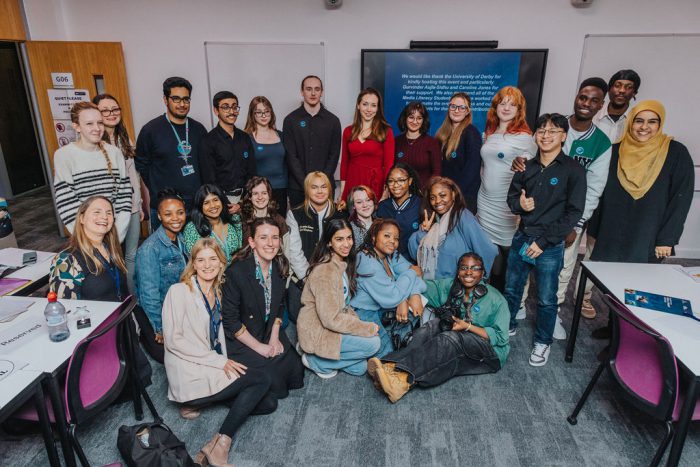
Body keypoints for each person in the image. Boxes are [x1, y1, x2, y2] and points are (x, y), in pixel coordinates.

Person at [162, 238, 277, 467]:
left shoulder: (219, 293)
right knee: (261, 379)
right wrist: (219, 362)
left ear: (221, 262)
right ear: (193, 264)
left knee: (268, 403)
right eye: (201, 260)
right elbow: (174, 341)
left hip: (210, 367)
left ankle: (205, 415)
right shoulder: (179, 291)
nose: (207, 265)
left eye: (213, 259)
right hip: (190, 372)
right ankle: (221, 443)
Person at [588, 100, 694, 337]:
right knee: (613, 283)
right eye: (639, 120)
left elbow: (681, 200)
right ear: (631, 122)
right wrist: (594, 230)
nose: (644, 127)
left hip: (648, 232)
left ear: (660, 124)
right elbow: (600, 191)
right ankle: (614, 327)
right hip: (614, 229)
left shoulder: (675, 152)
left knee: (641, 286)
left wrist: (667, 239)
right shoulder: (615, 150)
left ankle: (633, 336)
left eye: (652, 121)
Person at [512, 78, 612, 327]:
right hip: (533, 219)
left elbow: (594, 188)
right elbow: (529, 161)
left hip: (567, 219)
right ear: (576, 97)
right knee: (520, 271)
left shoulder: (601, 143)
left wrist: (575, 226)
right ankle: (518, 307)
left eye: (594, 100)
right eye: (583, 97)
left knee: (563, 270)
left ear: (601, 105)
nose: (587, 103)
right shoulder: (552, 125)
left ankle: (551, 313)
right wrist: (519, 163)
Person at [367, 253, 509, 403]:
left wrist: (467, 326)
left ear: (482, 273)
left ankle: (401, 380)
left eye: (475, 268)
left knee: (449, 338)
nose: (468, 272)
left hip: (491, 353)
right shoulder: (449, 287)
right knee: (433, 325)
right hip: (460, 337)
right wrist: (410, 296)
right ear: (458, 272)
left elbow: (501, 338)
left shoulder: (496, 300)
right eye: (464, 268)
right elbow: (418, 283)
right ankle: (388, 364)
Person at [504, 114, 586, 367]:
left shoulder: (573, 170)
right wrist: (520, 204)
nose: (546, 135)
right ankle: (506, 326)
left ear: (563, 136)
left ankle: (543, 341)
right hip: (522, 237)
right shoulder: (525, 166)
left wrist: (544, 242)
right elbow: (512, 198)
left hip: (549, 245)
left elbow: (574, 212)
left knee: (547, 298)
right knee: (512, 289)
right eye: (541, 130)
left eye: (553, 131)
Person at [222, 218, 305, 400]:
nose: (270, 243)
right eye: (263, 238)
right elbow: (230, 321)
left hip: (266, 328)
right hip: (243, 337)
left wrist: (274, 337)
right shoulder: (236, 272)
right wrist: (259, 347)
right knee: (273, 384)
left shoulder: (280, 266)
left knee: (296, 371)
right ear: (252, 242)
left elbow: (279, 305)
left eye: (275, 238)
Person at [296, 219, 381, 377]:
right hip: (317, 329)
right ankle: (314, 360)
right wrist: (365, 328)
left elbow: (342, 304)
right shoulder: (325, 271)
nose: (347, 244)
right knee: (374, 344)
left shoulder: (341, 264)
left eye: (349, 238)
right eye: (339, 239)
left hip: (329, 323)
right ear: (329, 243)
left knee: (360, 368)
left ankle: (321, 357)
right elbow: (330, 319)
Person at [477, 86, 536, 292]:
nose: (506, 107)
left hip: (506, 205)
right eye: (503, 103)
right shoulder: (489, 133)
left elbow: (533, 168)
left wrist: (523, 162)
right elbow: (485, 166)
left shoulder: (525, 137)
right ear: (496, 107)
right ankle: (488, 295)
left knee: (508, 251)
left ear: (519, 109)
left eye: (512, 104)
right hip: (485, 200)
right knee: (488, 251)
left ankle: (507, 299)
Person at [53, 102, 132, 241]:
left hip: (114, 233)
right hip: (84, 237)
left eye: (100, 123)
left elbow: (124, 196)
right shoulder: (63, 156)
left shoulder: (115, 153)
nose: (97, 128)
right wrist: (88, 238)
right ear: (76, 126)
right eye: (89, 124)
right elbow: (66, 202)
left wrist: (116, 236)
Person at [136, 77, 208, 226]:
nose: (182, 104)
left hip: (196, 205)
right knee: (165, 248)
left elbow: (206, 164)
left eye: (186, 99)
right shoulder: (150, 130)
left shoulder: (199, 129)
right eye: (176, 99)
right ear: (165, 99)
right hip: (165, 207)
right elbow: (142, 165)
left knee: (198, 248)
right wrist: (158, 188)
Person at [350, 219, 426, 358]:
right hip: (363, 313)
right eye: (387, 236)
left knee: (417, 314)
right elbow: (393, 295)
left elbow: (419, 277)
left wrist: (414, 294)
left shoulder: (388, 256)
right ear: (374, 237)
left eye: (396, 238)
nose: (392, 241)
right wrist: (402, 297)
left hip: (381, 307)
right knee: (387, 355)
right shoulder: (367, 260)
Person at [93, 93, 144, 294]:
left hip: (130, 206)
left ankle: (131, 298)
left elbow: (134, 175)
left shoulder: (125, 138)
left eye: (115, 109)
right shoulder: (95, 143)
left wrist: (138, 204)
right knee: (110, 255)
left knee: (131, 255)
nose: (111, 114)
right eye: (105, 110)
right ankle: (115, 296)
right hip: (108, 211)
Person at [134, 189, 188, 364]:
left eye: (180, 213)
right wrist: (160, 328)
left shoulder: (182, 239)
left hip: (180, 305)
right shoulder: (150, 249)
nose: (175, 218)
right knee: (168, 355)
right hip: (161, 311)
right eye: (168, 214)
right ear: (159, 216)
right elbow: (148, 293)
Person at [285, 171, 347, 322]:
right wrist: (309, 279)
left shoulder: (339, 213)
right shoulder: (295, 214)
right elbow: (294, 252)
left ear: (330, 189)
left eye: (324, 187)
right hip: (303, 277)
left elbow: (343, 249)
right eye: (314, 187)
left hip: (332, 275)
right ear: (307, 190)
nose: (320, 191)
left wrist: (326, 278)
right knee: (297, 317)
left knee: (330, 317)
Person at [408, 176, 497, 281]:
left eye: (442, 195)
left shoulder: (463, 216)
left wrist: (478, 279)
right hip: (433, 287)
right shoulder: (432, 221)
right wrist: (423, 232)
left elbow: (488, 250)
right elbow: (415, 255)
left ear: (453, 195)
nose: (437, 201)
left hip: (458, 286)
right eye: (433, 197)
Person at [50, 196, 128, 301]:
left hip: (121, 315)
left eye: (109, 213)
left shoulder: (112, 250)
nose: (104, 216)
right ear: (81, 218)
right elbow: (65, 309)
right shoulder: (67, 260)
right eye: (97, 212)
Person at [283, 75, 341, 208]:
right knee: (299, 227)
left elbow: (334, 155)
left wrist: (320, 185)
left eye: (317, 89)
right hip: (298, 188)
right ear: (302, 92)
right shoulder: (290, 120)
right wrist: (307, 184)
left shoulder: (333, 121)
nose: (313, 93)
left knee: (325, 227)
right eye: (309, 89)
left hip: (325, 188)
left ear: (322, 92)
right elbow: (291, 157)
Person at [200, 91, 257, 215]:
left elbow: (252, 173)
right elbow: (209, 179)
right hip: (221, 202)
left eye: (234, 106)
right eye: (225, 107)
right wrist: (226, 203)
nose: (231, 111)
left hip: (245, 200)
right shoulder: (208, 141)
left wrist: (243, 202)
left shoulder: (244, 137)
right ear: (216, 111)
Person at [339, 88, 395, 201]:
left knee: (374, 217)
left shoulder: (386, 131)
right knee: (351, 216)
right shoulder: (348, 131)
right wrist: (342, 192)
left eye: (373, 105)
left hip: (375, 184)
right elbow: (344, 163)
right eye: (365, 104)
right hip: (352, 182)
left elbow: (389, 165)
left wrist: (386, 191)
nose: (369, 109)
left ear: (378, 108)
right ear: (358, 105)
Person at [435, 92, 482, 213]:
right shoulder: (443, 133)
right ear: (449, 108)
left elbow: (472, 169)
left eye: (462, 107)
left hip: (462, 197)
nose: (457, 110)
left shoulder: (471, 133)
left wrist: (454, 192)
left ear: (467, 111)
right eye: (453, 106)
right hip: (446, 194)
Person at [244, 96, 288, 217]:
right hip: (259, 192)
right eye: (259, 112)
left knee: (279, 225)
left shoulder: (281, 135)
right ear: (252, 114)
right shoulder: (247, 138)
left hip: (281, 189)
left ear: (271, 113)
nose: (263, 115)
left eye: (267, 111)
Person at [182, 184, 242, 264]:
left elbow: (239, 248)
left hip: (234, 271)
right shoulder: (192, 229)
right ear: (200, 206)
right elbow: (196, 262)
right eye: (206, 203)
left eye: (215, 200)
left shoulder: (232, 218)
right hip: (210, 273)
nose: (213, 205)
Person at [376, 163, 422, 261]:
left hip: (413, 262)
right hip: (386, 261)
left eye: (401, 180)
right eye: (391, 181)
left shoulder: (420, 204)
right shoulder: (383, 206)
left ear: (410, 181)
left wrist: (425, 231)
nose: (396, 185)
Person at [393, 101, 441, 188]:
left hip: (423, 195)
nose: (415, 122)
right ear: (405, 118)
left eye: (419, 118)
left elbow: (436, 173)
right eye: (411, 117)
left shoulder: (432, 143)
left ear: (423, 120)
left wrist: (425, 191)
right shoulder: (396, 141)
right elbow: (391, 170)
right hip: (399, 194)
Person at [594, 69, 641, 144]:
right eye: (617, 86)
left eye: (629, 87)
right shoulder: (593, 112)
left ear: (634, 93)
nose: (622, 90)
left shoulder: (638, 118)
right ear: (609, 90)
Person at [240, 176, 288, 248]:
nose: (260, 197)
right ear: (250, 197)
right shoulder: (241, 220)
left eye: (264, 193)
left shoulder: (279, 220)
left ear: (269, 195)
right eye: (255, 193)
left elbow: (286, 251)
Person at [346, 185, 377, 251]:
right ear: (353, 206)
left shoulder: (382, 224)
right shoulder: (348, 229)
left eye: (368, 200)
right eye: (359, 202)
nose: (365, 205)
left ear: (373, 201)